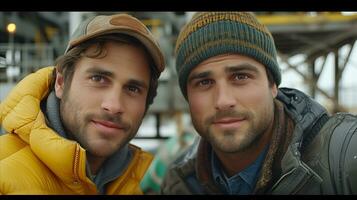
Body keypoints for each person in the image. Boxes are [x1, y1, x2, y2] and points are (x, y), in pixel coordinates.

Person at [160, 12, 357, 195]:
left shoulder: (344, 157)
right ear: (187, 96)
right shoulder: (179, 183)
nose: (223, 101)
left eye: (240, 77)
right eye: (204, 82)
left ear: (273, 86)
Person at [0, 13, 165, 194]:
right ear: (61, 83)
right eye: (98, 78)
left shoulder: (132, 185)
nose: (114, 105)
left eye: (133, 89)